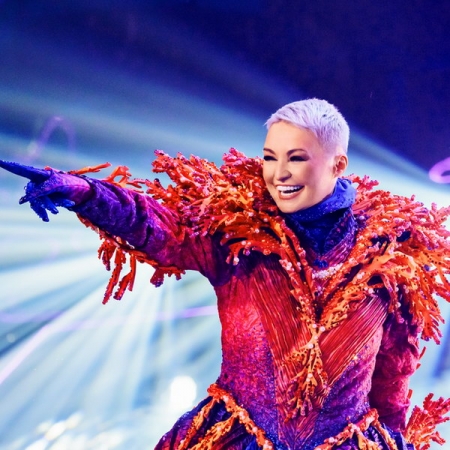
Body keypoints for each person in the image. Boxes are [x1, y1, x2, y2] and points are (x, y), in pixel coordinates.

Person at [1, 98, 450, 450]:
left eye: (296, 158)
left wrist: (395, 438)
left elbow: (392, 382)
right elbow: (160, 227)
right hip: (233, 439)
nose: (279, 174)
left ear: (338, 165)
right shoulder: (238, 234)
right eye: (270, 157)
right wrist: (85, 192)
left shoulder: (392, 260)